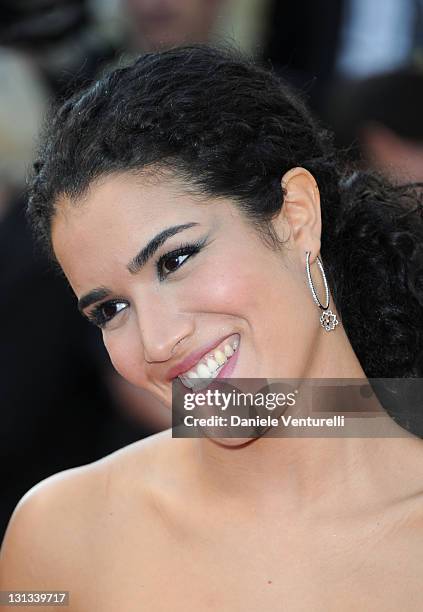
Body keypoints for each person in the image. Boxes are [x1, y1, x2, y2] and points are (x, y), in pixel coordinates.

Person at [1, 45, 423, 610]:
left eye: (174, 260)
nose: (156, 341)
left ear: (297, 217)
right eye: (110, 310)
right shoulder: (59, 536)